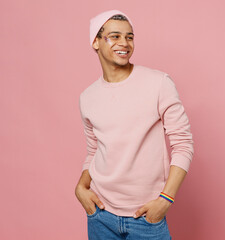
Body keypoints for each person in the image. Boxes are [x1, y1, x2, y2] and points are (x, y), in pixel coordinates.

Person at [75, 9, 194, 240]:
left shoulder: (158, 83)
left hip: (146, 218)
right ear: (96, 42)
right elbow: (93, 151)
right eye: (115, 36)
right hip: (100, 215)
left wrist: (166, 200)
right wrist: (81, 188)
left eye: (129, 37)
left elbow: (183, 145)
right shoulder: (87, 97)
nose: (124, 43)